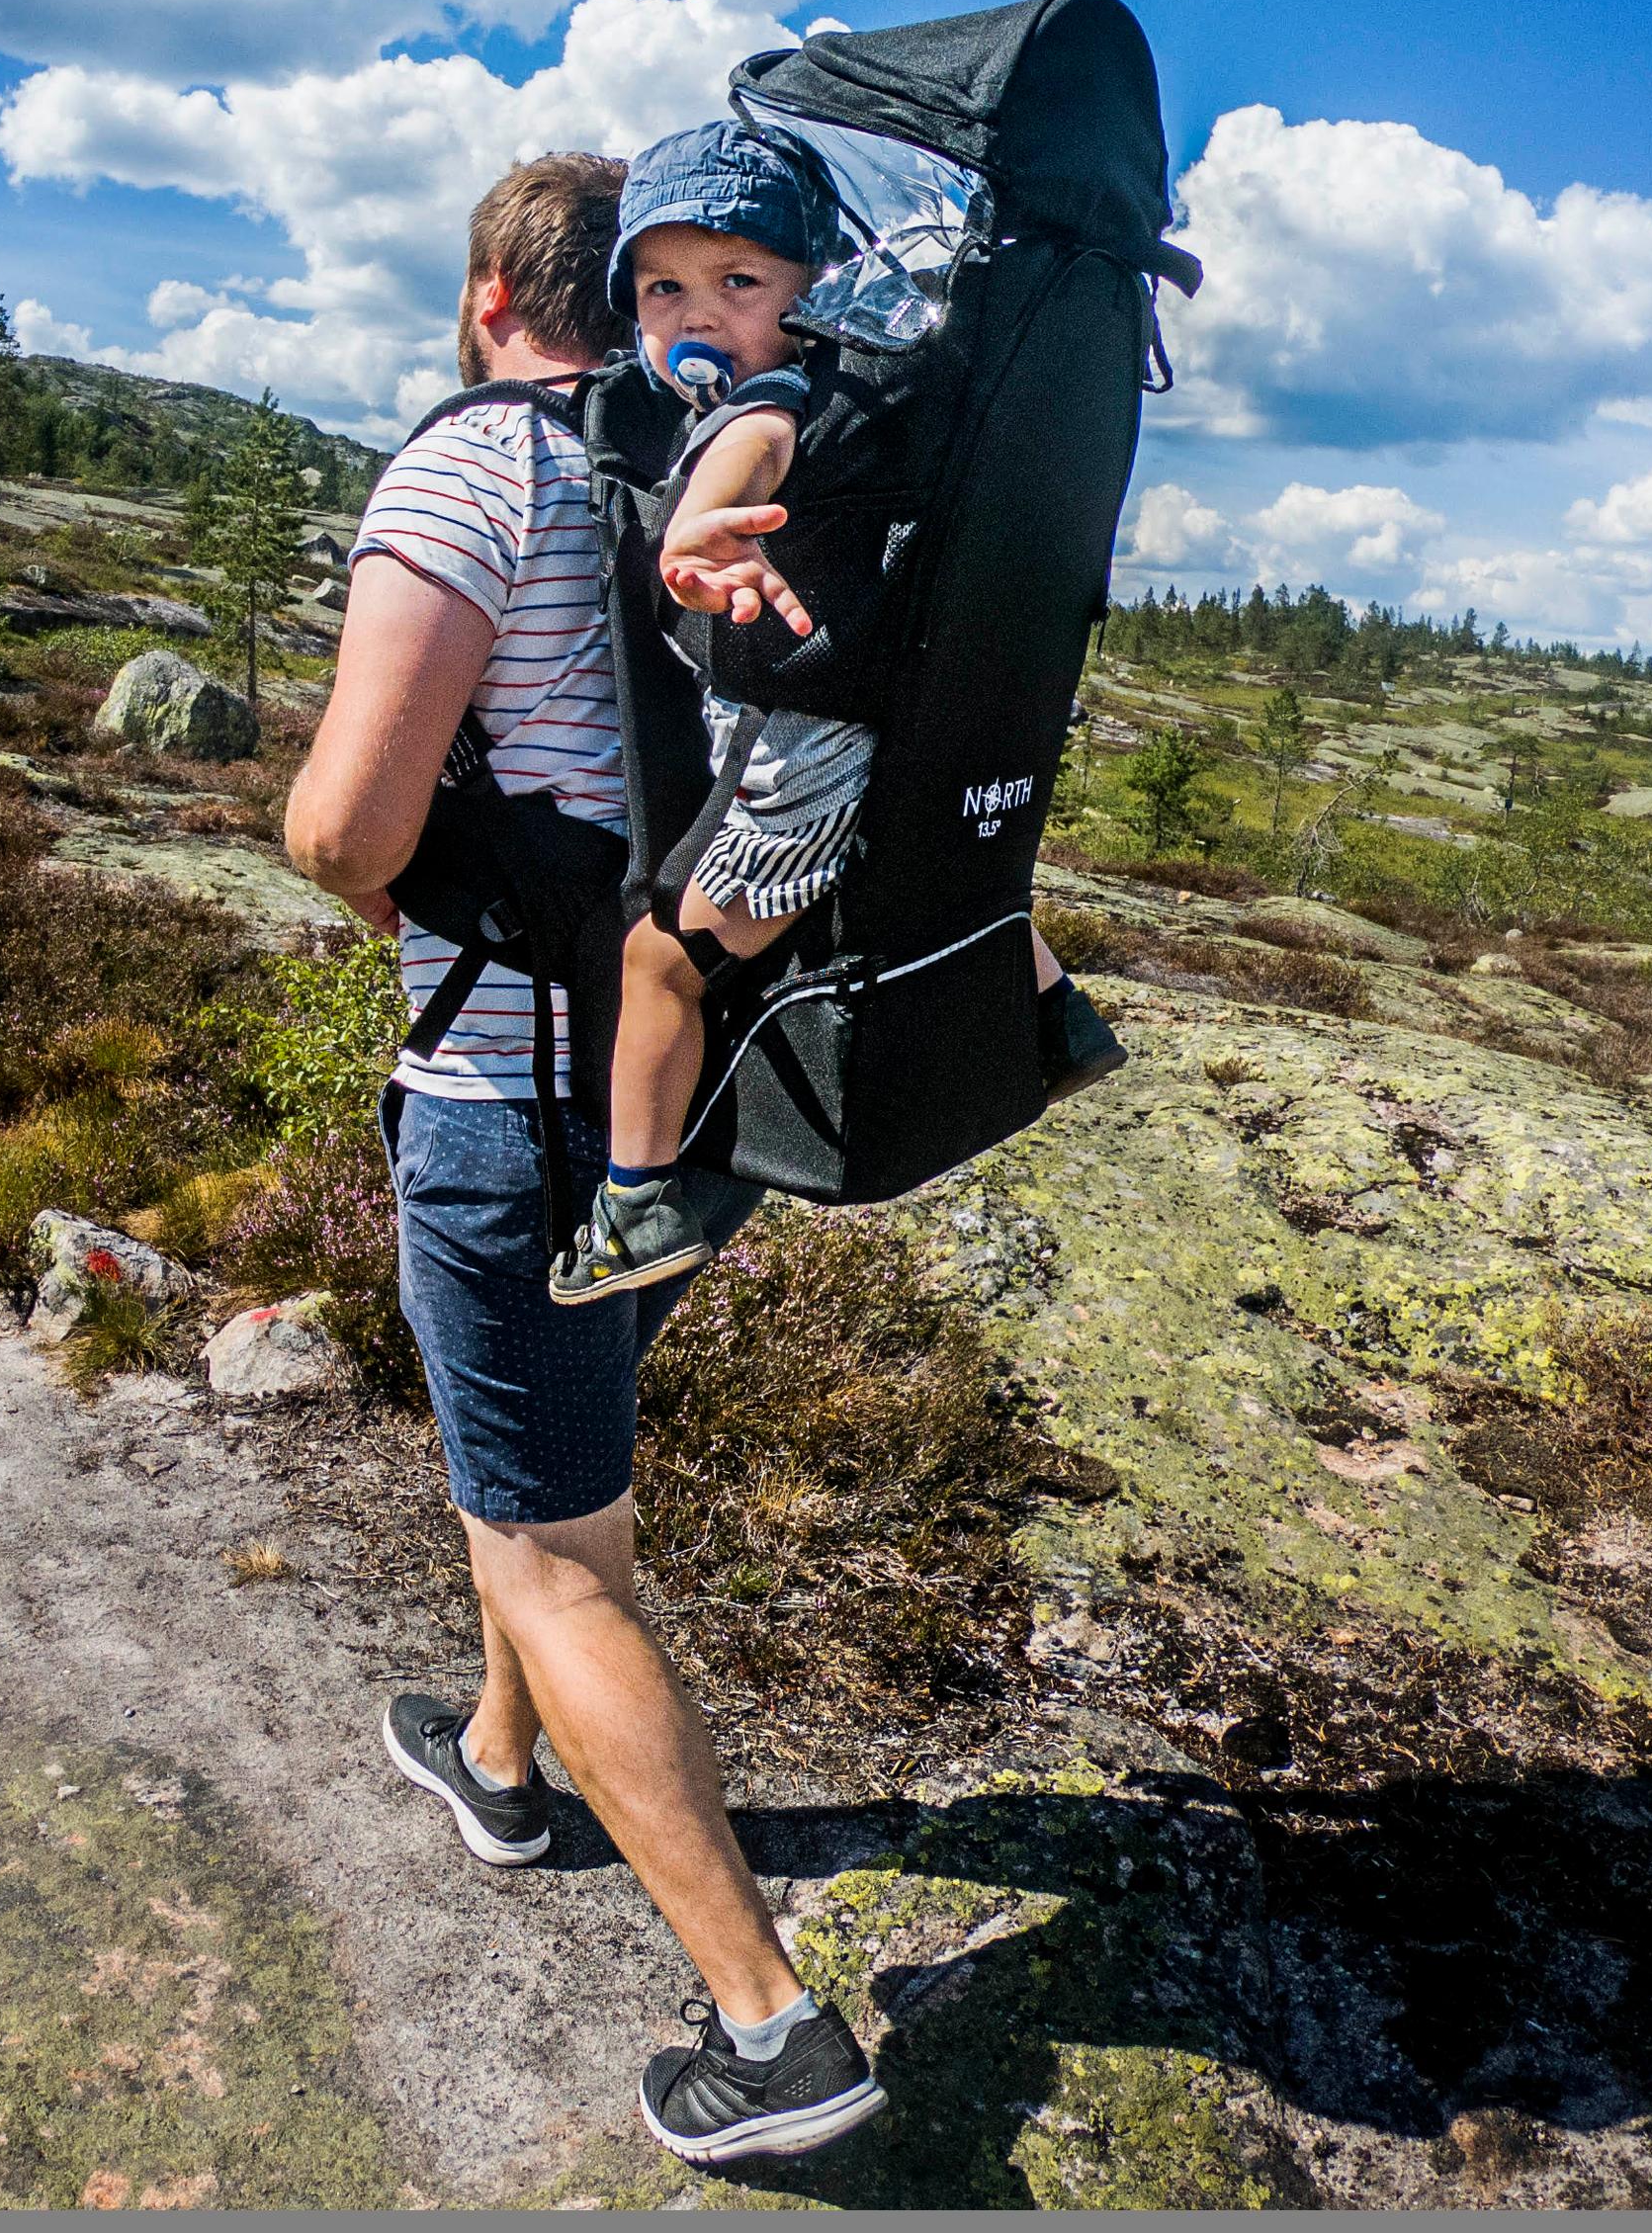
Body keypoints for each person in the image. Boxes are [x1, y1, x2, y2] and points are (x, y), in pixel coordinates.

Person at [283, 152, 888, 2165]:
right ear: (618, 298)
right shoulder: (683, 453)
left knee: (557, 1552)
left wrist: (345, 866)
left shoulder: (474, 473)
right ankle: (495, 1767)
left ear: (484, 301)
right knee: (549, 1468)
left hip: (507, 1102)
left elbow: (348, 830)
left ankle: (772, 2025)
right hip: (668, 1088)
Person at [553, 122, 1125, 1309]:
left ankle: (634, 1202)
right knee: (926, 881)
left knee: (660, 966)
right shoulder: (863, 403)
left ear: (811, 293)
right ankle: (1058, 1023)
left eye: (739, 281)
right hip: (906, 736)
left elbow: (744, 458)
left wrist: (691, 534)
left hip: (798, 769)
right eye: (663, 287)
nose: (698, 313)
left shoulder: (774, 404)